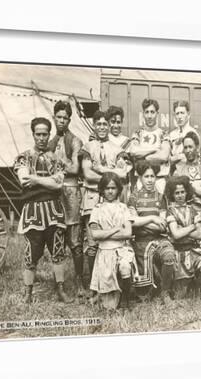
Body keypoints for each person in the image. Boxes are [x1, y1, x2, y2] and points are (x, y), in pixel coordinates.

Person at [13, 117, 73, 304]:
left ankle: (60, 290)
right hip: (33, 211)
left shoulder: (56, 159)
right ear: (33, 134)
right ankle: (28, 293)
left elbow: (58, 184)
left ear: (49, 135)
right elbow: (23, 180)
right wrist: (47, 180)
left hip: (53, 210)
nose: (41, 138)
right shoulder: (24, 157)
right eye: (38, 134)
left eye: (44, 134)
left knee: (57, 250)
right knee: (31, 252)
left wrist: (36, 180)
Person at [80, 110, 132, 288]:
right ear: (94, 126)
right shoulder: (88, 147)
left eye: (105, 124)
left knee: (116, 238)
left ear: (109, 126)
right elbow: (87, 174)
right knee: (93, 242)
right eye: (99, 124)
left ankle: (116, 281)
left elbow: (123, 174)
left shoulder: (117, 150)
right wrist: (112, 175)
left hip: (114, 198)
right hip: (93, 197)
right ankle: (93, 285)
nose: (102, 127)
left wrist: (101, 170)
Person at [47, 100, 85, 297]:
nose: (61, 121)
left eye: (65, 118)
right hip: (55, 193)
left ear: (69, 120)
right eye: (58, 117)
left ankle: (79, 281)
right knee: (57, 237)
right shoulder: (50, 141)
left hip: (71, 193)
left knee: (75, 239)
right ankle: (59, 283)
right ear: (54, 118)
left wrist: (56, 159)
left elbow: (74, 169)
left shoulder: (75, 141)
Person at [127, 160, 177, 305]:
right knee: (143, 293)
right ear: (140, 178)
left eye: (152, 176)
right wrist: (152, 218)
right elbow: (132, 223)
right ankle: (150, 288)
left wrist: (142, 222)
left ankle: (165, 292)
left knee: (169, 255)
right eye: (146, 176)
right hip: (141, 241)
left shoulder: (161, 197)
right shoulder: (134, 197)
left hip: (158, 239)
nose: (149, 180)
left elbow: (162, 226)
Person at [88, 172, 136, 310]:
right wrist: (116, 229)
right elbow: (95, 235)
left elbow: (127, 232)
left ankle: (126, 298)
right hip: (104, 252)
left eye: (113, 188)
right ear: (102, 190)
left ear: (118, 190)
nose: (110, 191)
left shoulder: (123, 208)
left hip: (121, 249)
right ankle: (108, 296)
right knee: (109, 306)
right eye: (107, 188)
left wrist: (106, 233)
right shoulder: (97, 209)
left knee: (125, 266)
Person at [164, 176, 201, 301]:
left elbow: (199, 234)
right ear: (172, 194)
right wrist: (192, 227)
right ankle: (180, 288)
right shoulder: (170, 212)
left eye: (182, 192)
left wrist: (183, 229)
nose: (180, 195)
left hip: (193, 250)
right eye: (177, 193)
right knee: (181, 295)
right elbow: (176, 235)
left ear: (187, 192)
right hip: (178, 252)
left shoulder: (193, 210)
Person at [127, 98, 171, 194]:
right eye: (147, 112)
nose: (149, 116)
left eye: (152, 112)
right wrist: (155, 149)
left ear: (157, 114)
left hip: (159, 181)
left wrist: (141, 158)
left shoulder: (164, 133)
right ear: (143, 114)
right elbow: (133, 151)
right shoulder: (137, 133)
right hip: (141, 180)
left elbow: (163, 156)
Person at [174, 132, 201, 211]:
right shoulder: (178, 171)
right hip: (184, 212)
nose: (188, 150)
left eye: (190, 147)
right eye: (185, 147)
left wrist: (189, 187)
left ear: (197, 147)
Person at [168, 101, 200, 166]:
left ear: (188, 115)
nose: (179, 116)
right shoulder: (172, 134)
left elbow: (189, 157)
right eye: (177, 113)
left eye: (182, 113)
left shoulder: (193, 133)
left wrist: (173, 158)